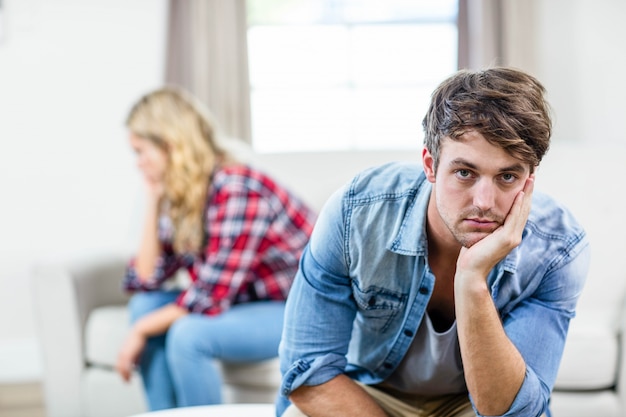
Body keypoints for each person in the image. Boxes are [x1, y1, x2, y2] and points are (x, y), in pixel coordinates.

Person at [277, 67, 590, 417]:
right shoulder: (356, 214)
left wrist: (472, 280)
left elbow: (511, 410)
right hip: (370, 393)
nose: (484, 201)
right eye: (465, 173)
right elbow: (306, 371)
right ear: (430, 165)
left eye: (507, 176)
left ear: (528, 180)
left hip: (470, 406)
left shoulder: (557, 249)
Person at [114, 86, 316, 411]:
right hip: (244, 302)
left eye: (141, 151)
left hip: (293, 309)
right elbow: (147, 279)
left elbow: (210, 296)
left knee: (188, 335)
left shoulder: (238, 189)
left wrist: (139, 331)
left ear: (170, 146)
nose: (138, 163)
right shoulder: (187, 195)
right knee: (144, 306)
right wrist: (152, 200)